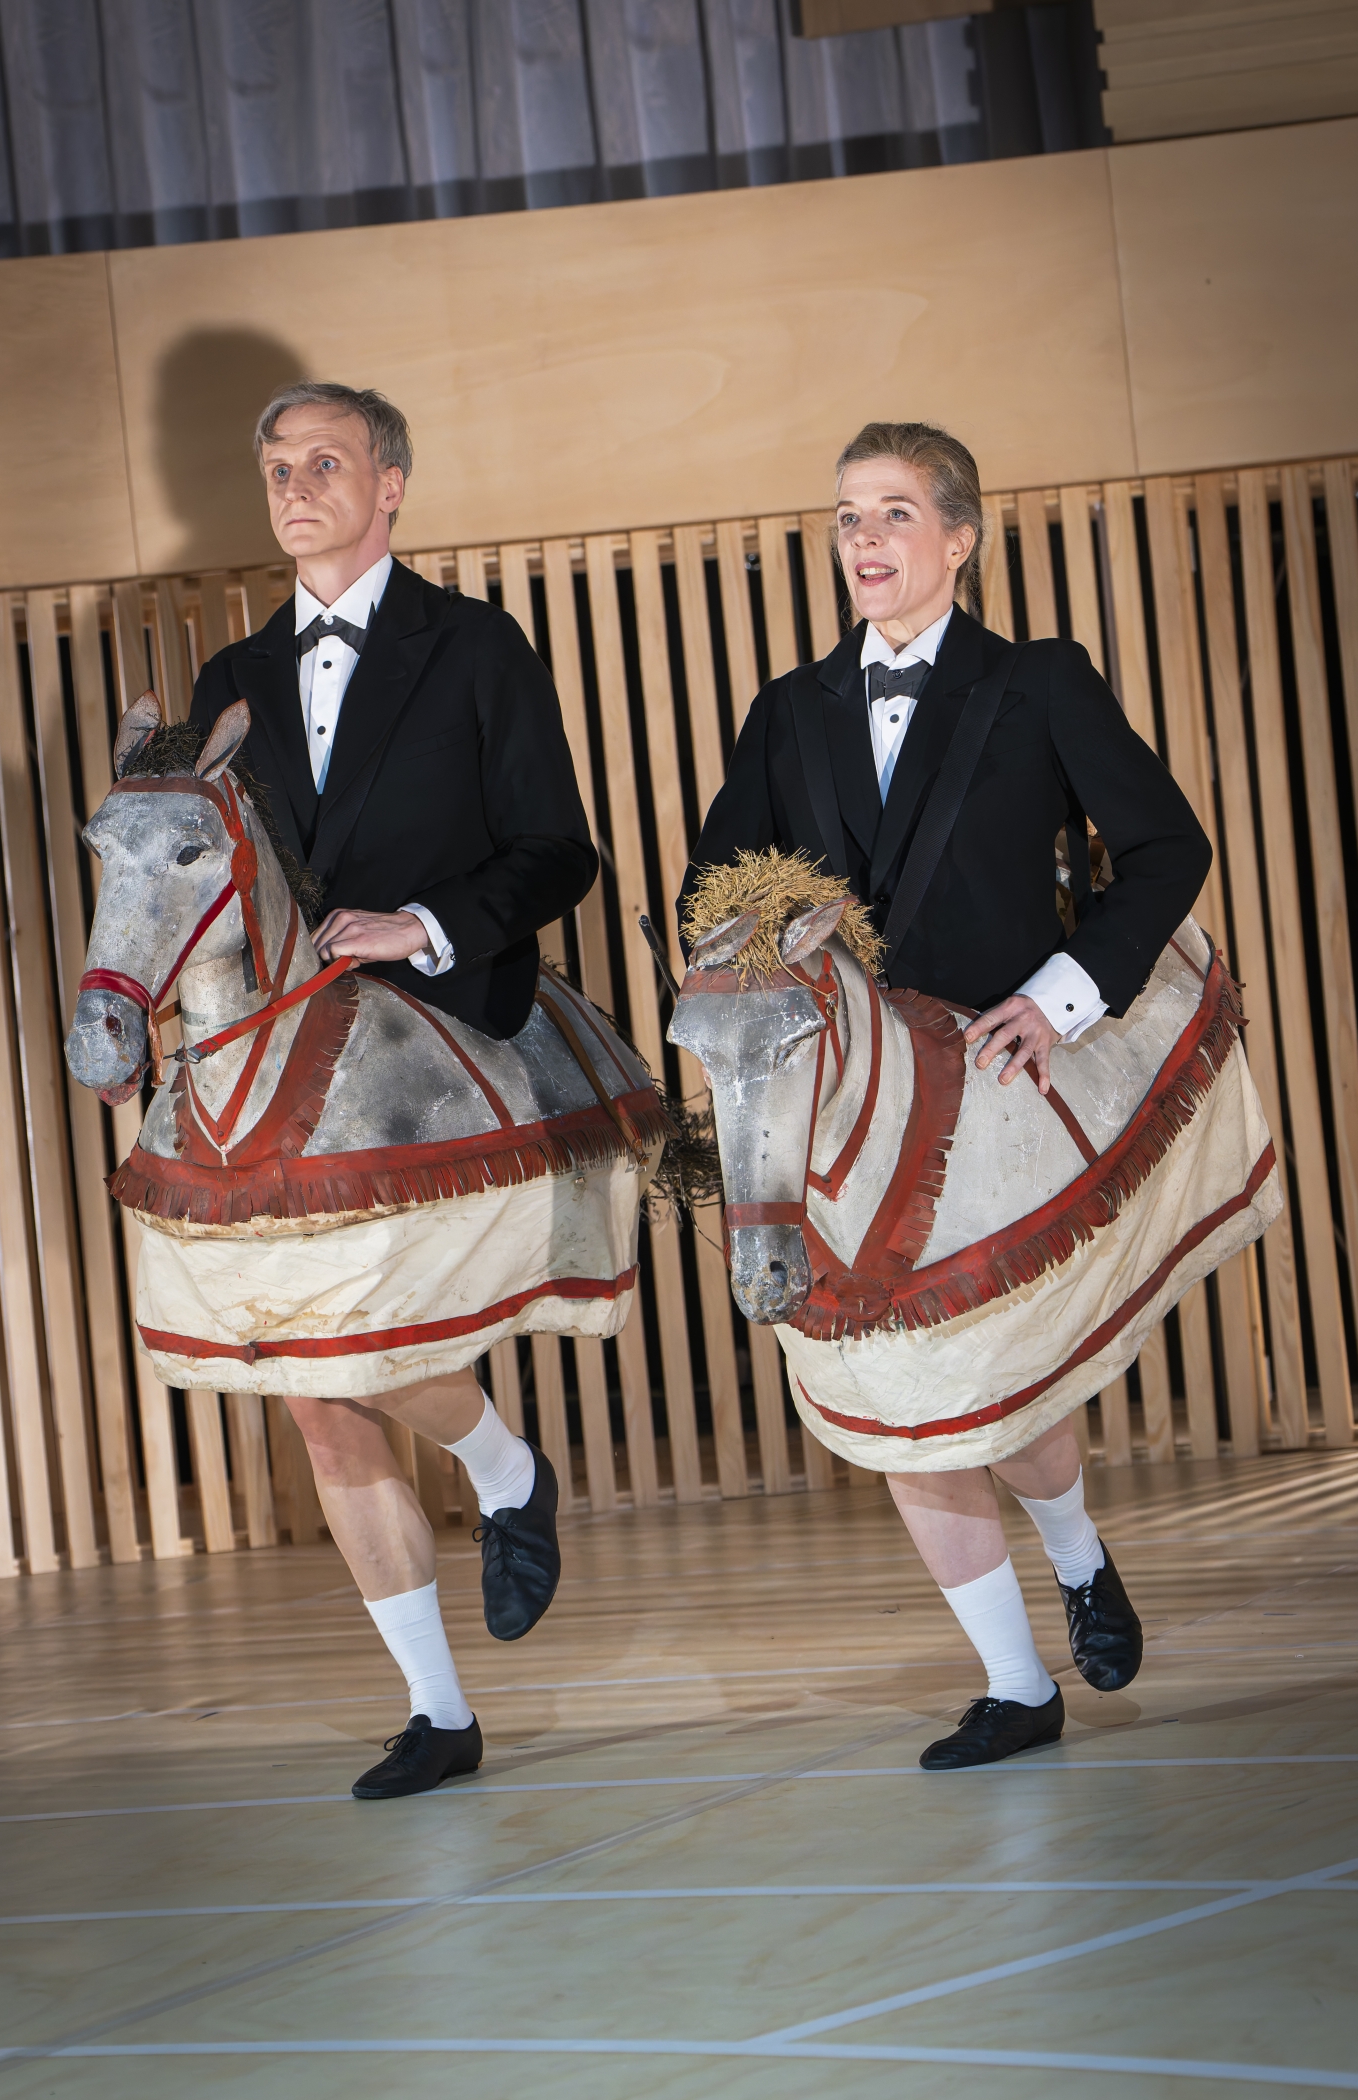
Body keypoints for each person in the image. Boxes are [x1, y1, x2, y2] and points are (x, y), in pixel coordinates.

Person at [679, 421, 1212, 1769]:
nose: (863, 539)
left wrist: (1064, 995)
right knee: (895, 1380)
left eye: (894, 513)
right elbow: (712, 892)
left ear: (959, 538)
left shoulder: (1038, 684)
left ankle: (1079, 1556)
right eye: (849, 515)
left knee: (994, 1388)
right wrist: (743, 951)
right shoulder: (787, 711)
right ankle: (1014, 1681)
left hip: (996, 1075)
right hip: (844, 1106)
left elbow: (1166, 848)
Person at [189, 381, 598, 1799]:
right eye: (279, 470)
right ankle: (439, 1710)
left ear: (394, 484)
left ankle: (501, 1472)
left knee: (343, 1346)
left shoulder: (478, 648)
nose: (298, 487)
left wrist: (416, 923)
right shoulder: (224, 678)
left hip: (442, 1026)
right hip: (285, 1058)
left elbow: (557, 850)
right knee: (316, 1386)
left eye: (326, 464)